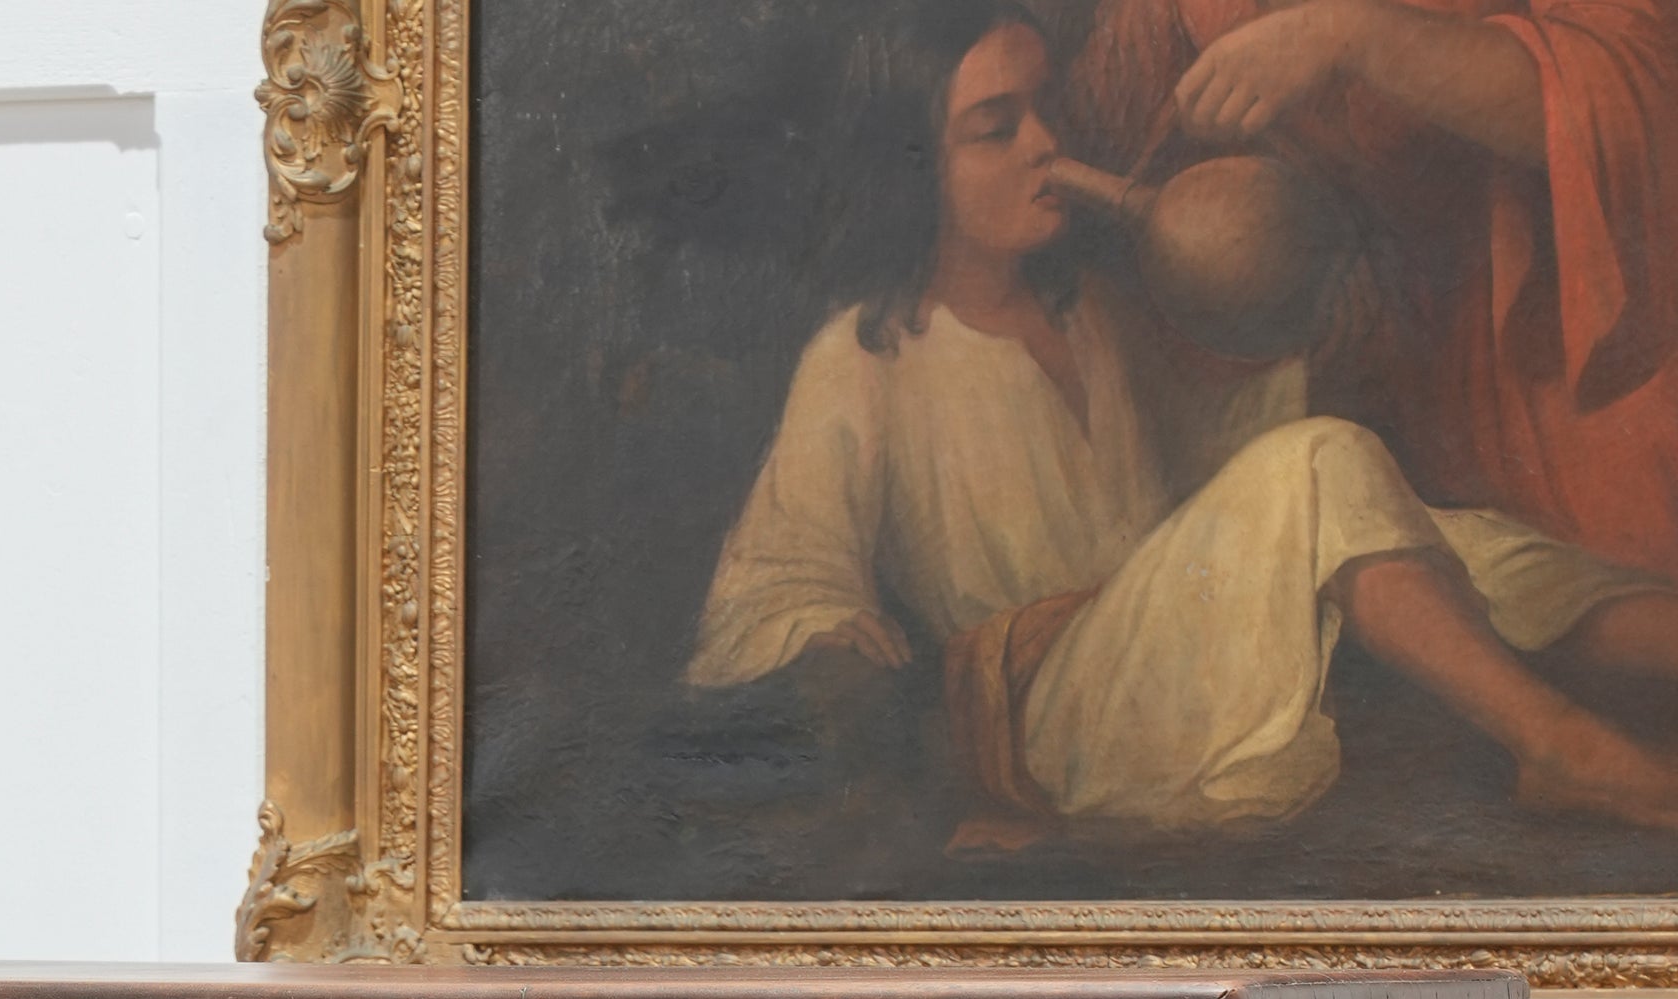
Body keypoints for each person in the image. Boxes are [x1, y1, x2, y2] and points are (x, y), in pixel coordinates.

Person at [687, 0, 1678, 832]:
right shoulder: (865, 355)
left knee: (1431, 532)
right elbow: (778, 575)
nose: (1043, 143)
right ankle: (1561, 746)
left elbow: (1218, 470)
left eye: (1045, 112)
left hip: (1162, 647)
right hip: (1056, 712)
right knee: (1327, 462)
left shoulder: (1095, 316)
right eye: (996, 127)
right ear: (916, 166)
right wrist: (826, 632)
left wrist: (1300, 320)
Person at [1074, 0, 1678, 574]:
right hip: (1360, 392)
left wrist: (1352, 35)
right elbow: (1114, 133)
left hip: (1558, 359)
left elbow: (1636, 92)